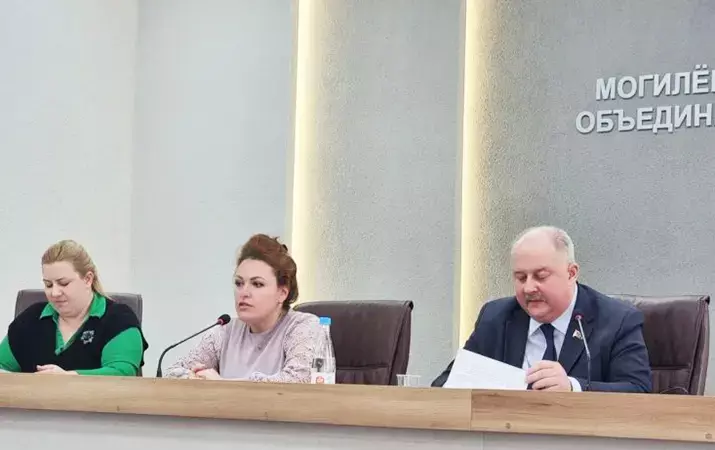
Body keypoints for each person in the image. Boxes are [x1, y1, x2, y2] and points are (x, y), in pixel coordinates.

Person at [432, 226, 652, 393]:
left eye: (541, 276)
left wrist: (573, 387)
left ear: (571, 273)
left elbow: (638, 390)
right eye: (521, 277)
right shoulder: (496, 317)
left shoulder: (617, 320)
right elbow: (444, 385)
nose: (529, 288)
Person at [166, 234, 322, 382]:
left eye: (257, 284)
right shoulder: (225, 331)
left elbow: (298, 381)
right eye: (239, 283)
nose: (244, 292)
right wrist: (193, 378)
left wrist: (221, 386)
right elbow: (172, 373)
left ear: (282, 293)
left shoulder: (304, 327)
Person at [0, 240, 148, 375]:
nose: (55, 293)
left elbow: (121, 374)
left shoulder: (119, 319)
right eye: (48, 285)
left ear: (88, 279)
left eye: (64, 283)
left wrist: (68, 378)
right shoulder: (30, 318)